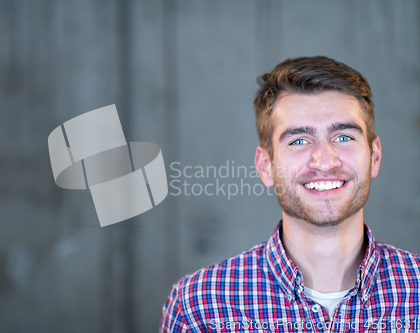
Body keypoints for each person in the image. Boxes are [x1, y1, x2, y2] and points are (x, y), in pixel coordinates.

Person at [159, 56, 420, 332]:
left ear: (375, 156)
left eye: (344, 137)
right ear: (265, 167)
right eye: (299, 141)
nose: (324, 161)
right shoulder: (199, 309)